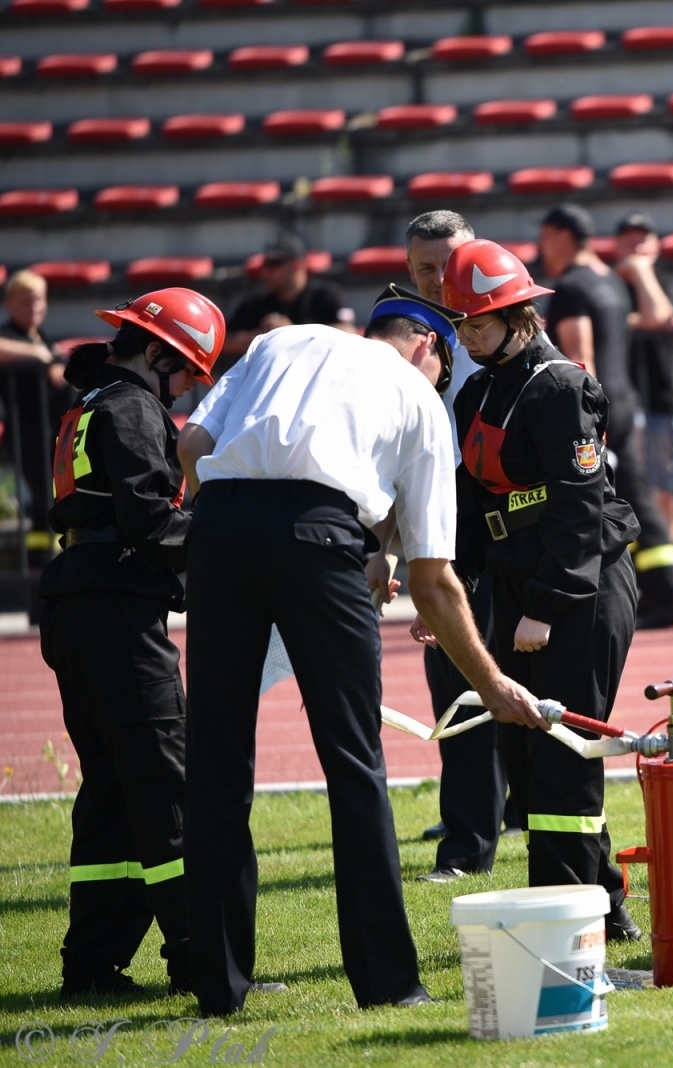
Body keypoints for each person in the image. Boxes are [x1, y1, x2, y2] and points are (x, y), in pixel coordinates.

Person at [175, 312, 545, 1016]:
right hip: (319, 539)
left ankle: (217, 984)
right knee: (352, 764)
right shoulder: (420, 401)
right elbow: (435, 583)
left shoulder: (284, 339)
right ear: (429, 347)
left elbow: (192, 441)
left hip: (218, 528)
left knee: (217, 762)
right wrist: (492, 684)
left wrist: (233, 519)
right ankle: (388, 983)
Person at [438, 238, 643, 942]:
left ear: (520, 316)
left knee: (560, 756)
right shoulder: (475, 389)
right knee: (527, 759)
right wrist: (452, 592)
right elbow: (470, 504)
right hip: (514, 581)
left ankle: (562, 921)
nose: (467, 335)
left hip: (575, 587)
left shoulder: (561, 386)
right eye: (461, 323)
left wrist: (545, 608)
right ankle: (605, 905)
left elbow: (578, 510)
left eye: (480, 322)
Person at [39, 288, 224, 999]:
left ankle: (92, 966)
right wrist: (225, 545)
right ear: (157, 356)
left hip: (78, 600)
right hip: (116, 609)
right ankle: (200, 958)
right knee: (167, 785)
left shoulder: (89, 405)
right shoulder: (135, 407)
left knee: (114, 793)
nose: (184, 393)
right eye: (185, 377)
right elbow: (150, 520)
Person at [395, 209, 525, 879]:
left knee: (509, 679)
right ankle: (470, 836)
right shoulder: (398, 331)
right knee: (458, 685)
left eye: (447, 266)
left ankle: (511, 814)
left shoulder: (511, 326)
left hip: (504, 521)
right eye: (424, 269)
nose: (439, 282)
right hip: (440, 516)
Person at [540, 204, 673, 629]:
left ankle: (592, 599)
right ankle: (666, 590)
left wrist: (578, 413)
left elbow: (581, 355)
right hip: (624, 400)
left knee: (589, 502)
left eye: (545, 238)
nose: (542, 248)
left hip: (597, 406)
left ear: (559, 235)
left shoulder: (570, 287)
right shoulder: (609, 280)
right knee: (637, 496)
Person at [615, 210, 673, 545]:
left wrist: (642, 271)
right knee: (629, 489)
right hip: (624, 401)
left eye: (644, 237)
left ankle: (667, 561)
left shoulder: (661, 278)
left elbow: (658, 314)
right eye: (629, 237)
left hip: (662, 398)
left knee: (665, 488)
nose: (637, 243)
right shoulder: (610, 284)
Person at [1, 269, 73, 540]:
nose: (33, 307)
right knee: (45, 498)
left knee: (57, 494)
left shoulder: (41, 335)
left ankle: (48, 554)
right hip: (27, 433)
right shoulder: (12, 335)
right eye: (25, 301)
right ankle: (41, 563)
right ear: (9, 304)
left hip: (54, 430)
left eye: (38, 300)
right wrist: (38, 355)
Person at [219, 234, 356, 370]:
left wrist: (291, 333)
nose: (266, 271)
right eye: (265, 264)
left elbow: (350, 332)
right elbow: (223, 341)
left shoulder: (326, 295)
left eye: (274, 263)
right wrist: (262, 338)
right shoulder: (255, 301)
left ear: (297, 265)